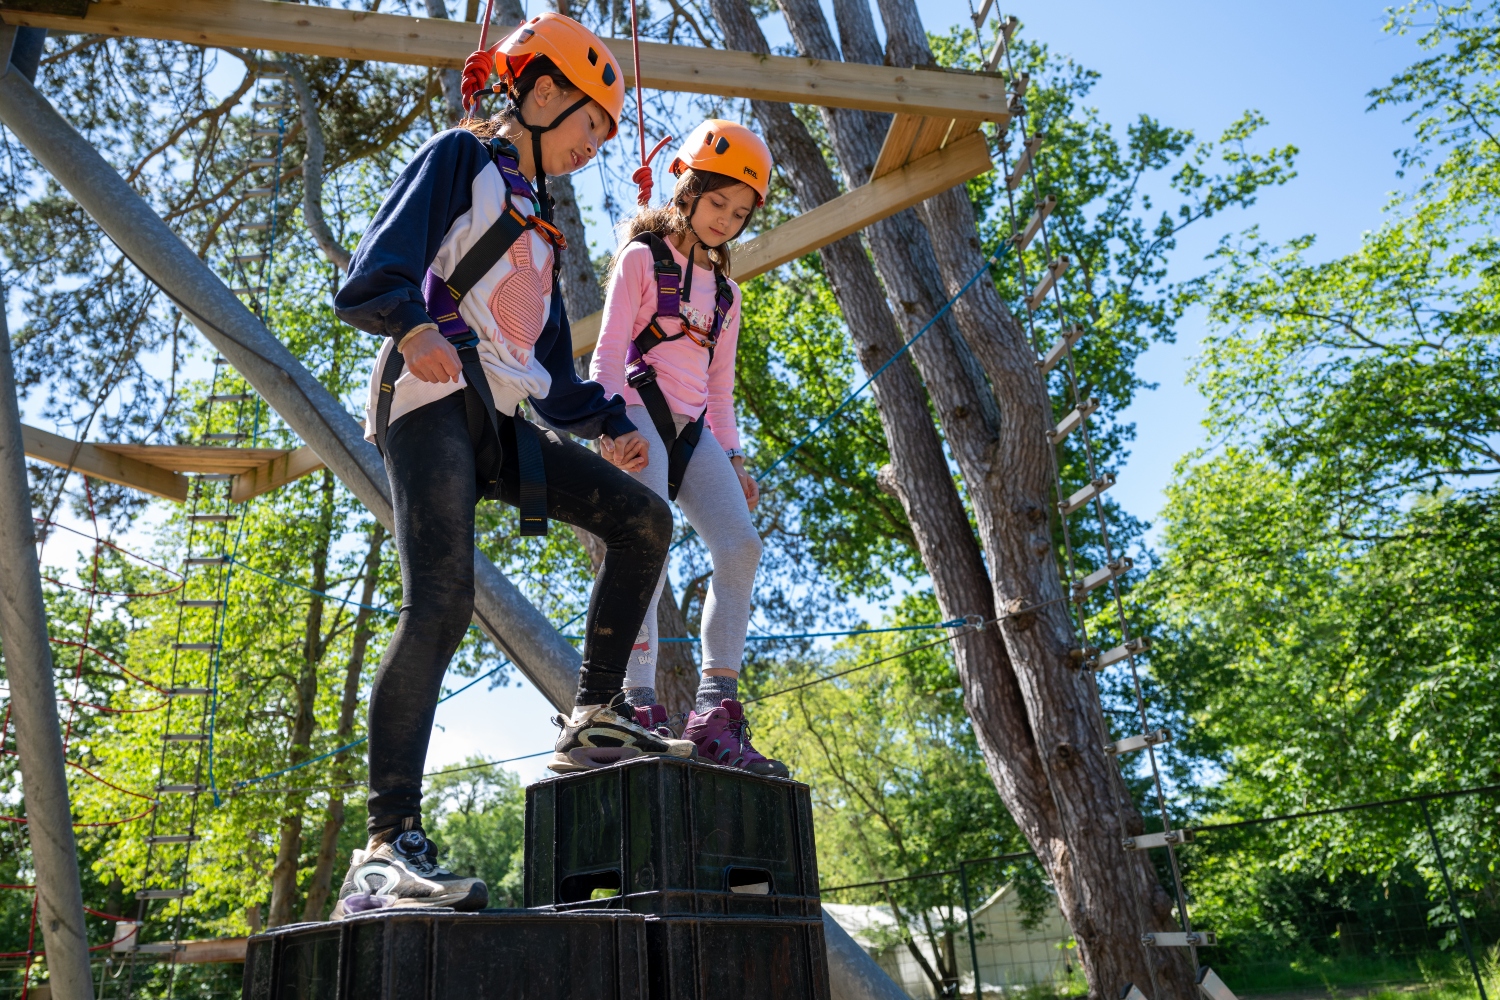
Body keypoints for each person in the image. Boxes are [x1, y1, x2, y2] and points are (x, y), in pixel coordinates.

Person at [329, 12, 693, 917]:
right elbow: (376, 272)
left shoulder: (543, 227)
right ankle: (384, 849)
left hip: (495, 411)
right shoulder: (462, 159)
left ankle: (594, 717)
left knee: (645, 521)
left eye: (604, 136)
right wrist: (411, 326)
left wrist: (608, 421)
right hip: (428, 396)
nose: (591, 146)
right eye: (585, 124)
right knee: (442, 599)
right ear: (535, 92)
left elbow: (554, 380)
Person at [591, 119, 788, 779]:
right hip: (637, 411)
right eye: (717, 203)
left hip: (696, 430)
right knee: (649, 536)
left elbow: (720, 389)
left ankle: (713, 708)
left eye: (740, 214)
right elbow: (609, 353)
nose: (726, 221)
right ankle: (637, 699)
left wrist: (734, 457)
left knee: (741, 545)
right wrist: (608, 426)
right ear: (690, 188)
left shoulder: (726, 296)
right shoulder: (643, 258)